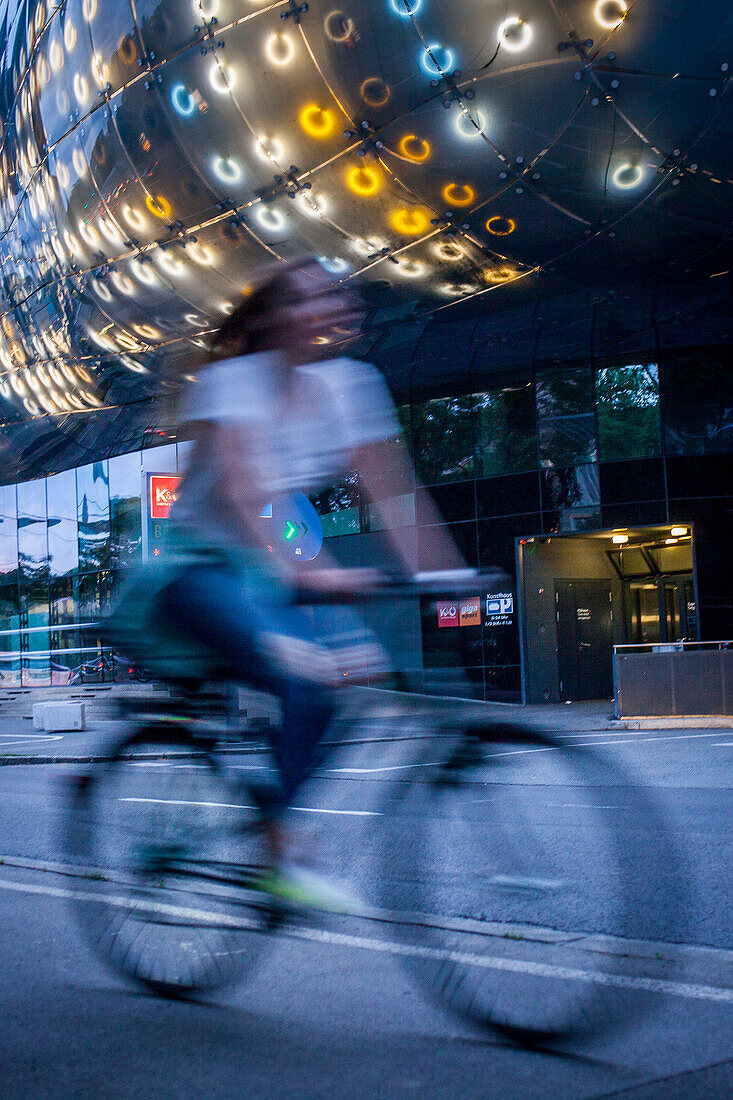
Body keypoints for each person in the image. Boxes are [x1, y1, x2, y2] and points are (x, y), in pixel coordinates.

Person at [150, 260, 463, 899]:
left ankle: (271, 807)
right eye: (305, 298)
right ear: (272, 319)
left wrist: (445, 572)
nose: (328, 306)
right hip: (199, 567)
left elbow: (396, 493)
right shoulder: (231, 381)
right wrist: (314, 573)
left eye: (334, 294)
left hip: (268, 568)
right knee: (305, 669)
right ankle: (279, 850)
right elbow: (247, 491)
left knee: (360, 666)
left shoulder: (355, 387)